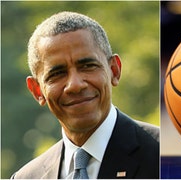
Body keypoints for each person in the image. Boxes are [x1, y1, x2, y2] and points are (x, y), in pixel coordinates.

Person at [11, 11, 159, 179]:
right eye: (57, 74)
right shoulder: (27, 177)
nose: (75, 85)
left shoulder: (165, 157)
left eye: (88, 66)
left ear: (114, 70)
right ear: (37, 90)